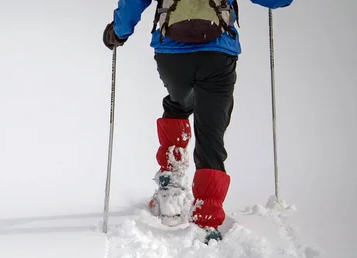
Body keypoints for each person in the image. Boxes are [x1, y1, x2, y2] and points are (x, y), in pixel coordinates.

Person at [103, 0, 293, 242]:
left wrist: (118, 32)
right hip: (217, 55)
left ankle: (170, 185)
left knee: (178, 105)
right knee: (211, 131)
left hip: (172, 54)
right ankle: (207, 216)